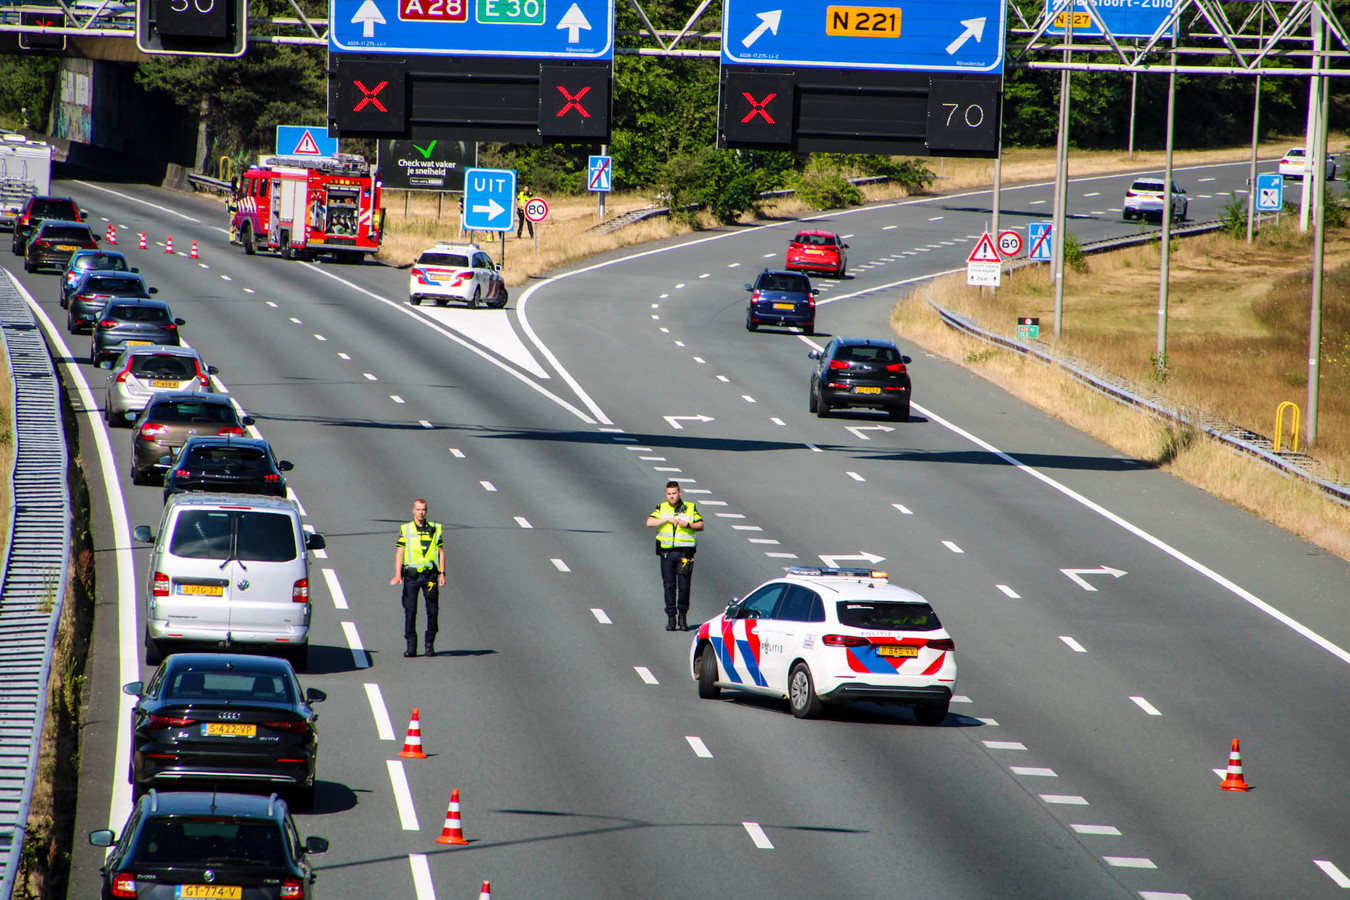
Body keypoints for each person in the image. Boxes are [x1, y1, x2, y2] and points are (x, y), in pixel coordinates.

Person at [390, 499, 446, 657]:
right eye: (419, 509)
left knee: (433, 610)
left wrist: (442, 573)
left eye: (424, 509)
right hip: (412, 577)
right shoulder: (406, 529)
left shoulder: (435, 529)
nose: (421, 512)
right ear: (413, 511)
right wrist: (397, 574)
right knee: (410, 610)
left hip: (429, 577)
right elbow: (399, 552)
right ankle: (411, 645)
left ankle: (429, 643)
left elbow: (440, 552)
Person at [646, 481, 704, 631]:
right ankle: (671, 617)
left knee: (684, 587)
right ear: (666, 495)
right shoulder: (661, 507)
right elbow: (649, 522)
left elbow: (701, 525)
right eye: (669, 494)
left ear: (680, 493)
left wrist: (688, 525)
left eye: (674, 493)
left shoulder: (690, 507)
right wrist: (666, 519)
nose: (671, 497)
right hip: (667, 553)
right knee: (669, 586)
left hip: (685, 553)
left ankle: (683, 617)